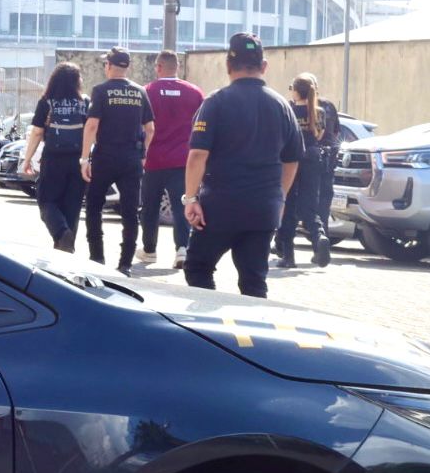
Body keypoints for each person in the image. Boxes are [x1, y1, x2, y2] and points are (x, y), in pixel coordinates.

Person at [182, 32, 302, 298]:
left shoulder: (215, 102)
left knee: (198, 267)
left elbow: (198, 154)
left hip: (220, 207)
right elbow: (292, 160)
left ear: (228, 65)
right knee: (254, 280)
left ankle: (210, 327)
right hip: (264, 208)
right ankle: (252, 335)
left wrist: (190, 198)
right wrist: (279, 198)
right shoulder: (283, 106)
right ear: (264, 66)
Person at [80, 47, 155, 275]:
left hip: (105, 156)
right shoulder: (140, 91)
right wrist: (143, 155)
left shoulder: (101, 91)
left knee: (94, 207)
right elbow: (150, 129)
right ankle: (125, 264)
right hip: (131, 158)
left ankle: (97, 257)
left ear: (109, 66)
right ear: (128, 67)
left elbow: (92, 125)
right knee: (130, 212)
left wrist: (85, 158)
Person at [140, 50, 203, 270]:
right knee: (181, 206)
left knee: (149, 207)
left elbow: (142, 127)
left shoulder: (148, 91)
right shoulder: (194, 93)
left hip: (153, 160)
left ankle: (149, 250)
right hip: (182, 161)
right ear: (178, 66)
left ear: (158, 67)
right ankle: (182, 249)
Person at [22, 61, 89, 252]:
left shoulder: (47, 101)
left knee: (46, 202)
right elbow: (91, 129)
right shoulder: (84, 102)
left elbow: (36, 132)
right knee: (72, 206)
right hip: (78, 160)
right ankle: (67, 247)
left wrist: (27, 159)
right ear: (76, 81)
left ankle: (61, 234)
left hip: (53, 159)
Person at [275, 73, 336, 269]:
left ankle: (288, 256)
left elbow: (282, 136)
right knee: (309, 206)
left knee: (289, 206)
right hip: (313, 157)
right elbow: (320, 134)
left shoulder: (288, 110)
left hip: (292, 159)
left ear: (295, 91)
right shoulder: (318, 111)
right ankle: (319, 238)